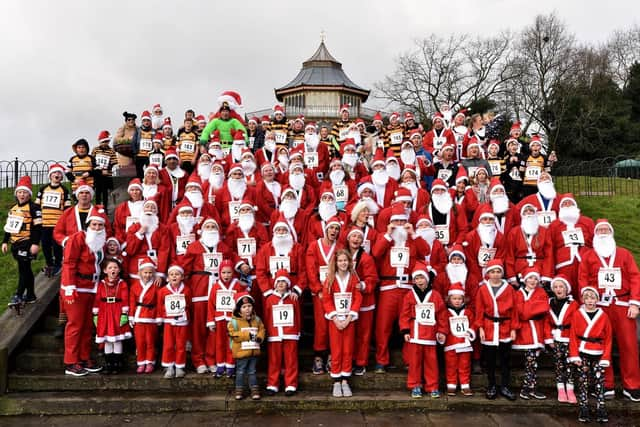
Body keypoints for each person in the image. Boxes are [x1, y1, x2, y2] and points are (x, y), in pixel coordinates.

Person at [577, 219, 640, 402]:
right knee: (601, 345)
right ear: (595, 234)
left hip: (622, 305)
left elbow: (635, 277)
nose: (603, 232)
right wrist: (588, 301)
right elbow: (583, 279)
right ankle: (605, 384)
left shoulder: (624, 254)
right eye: (599, 230)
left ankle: (632, 385)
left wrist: (635, 303)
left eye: (606, 230)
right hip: (600, 307)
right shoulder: (589, 256)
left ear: (611, 233)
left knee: (629, 345)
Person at [372, 203, 428, 373]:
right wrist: (388, 234)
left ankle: (409, 360)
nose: (398, 225)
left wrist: (413, 233)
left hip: (407, 288)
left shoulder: (412, 239)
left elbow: (425, 251)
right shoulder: (385, 238)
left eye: (401, 222)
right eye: (395, 222)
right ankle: (382, 360)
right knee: (383, 326)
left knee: (409, 325)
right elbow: (376, 253)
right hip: (388, 288)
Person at [61, 214, 108, 376]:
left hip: (92, 287)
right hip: (77, 286)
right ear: (88, 224)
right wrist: (69, 286)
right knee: (75, 325)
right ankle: (71, 361)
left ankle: (84, 356)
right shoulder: (77, 238)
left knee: (88, 325)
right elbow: (69, 262)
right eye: (94, 225)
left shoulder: (101, 241)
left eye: (100, 225)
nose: (97, 228)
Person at [399, 261, 446, 399]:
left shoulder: (436, 295)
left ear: (427, 278)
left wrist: (442, 331)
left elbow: (442, 315)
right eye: (417, 278)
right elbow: (404, 314)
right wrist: (405, 330)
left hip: (430, 334)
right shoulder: (409, 295)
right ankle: (415, 385)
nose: (420, 281)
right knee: (415, 363)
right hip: (415, 334)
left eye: (422, 277)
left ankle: (432, 386)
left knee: (431, 363)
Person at [474, 259, 519, 400]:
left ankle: (505, 386)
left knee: (505, 360)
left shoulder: (510, 289)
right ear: (488, 273)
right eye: (492, 271)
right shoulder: (482, 289)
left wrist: (513, 328)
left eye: (498, 271)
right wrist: (480, 327)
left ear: (502, 273)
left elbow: (514, 310)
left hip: (505, 327)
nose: (495, 274)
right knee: (490, 360)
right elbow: (479, 310)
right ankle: (492, 385)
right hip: (488, 327)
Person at [569, 286, 612, 423]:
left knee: (599, 382)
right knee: (583, 381)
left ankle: (601, 407)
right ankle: (583, 407)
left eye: (592, 298)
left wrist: (605, 357)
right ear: (583, 299)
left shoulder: (603, 315)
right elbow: (573, 336)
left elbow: (608, 338)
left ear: (597, 299)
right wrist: (574, 355)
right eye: (586, 298)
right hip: (582, 351)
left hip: (598, 352)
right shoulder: (577, 314)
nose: (589, 301)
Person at [323, 249, 362, 398]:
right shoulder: (330, 279)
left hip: (349, 320)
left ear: (350, 262)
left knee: (348, 349)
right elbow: (326, 300)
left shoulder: (354, 279)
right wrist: (335, 318)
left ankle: (345, 380)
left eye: (345, 260)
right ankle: (336, 381)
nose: (343, 263)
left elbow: (358, 298)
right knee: (336, 350)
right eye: (340, 261)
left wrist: (349, 317)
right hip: (335, 321)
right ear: (336, 263)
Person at [306, 216, 343, 374]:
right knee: (321, 324)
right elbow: (310, 269)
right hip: (320, 292)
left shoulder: (340, 246)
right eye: (331, 228)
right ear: (326, 229)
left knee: (334, 324)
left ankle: (331, 355)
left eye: (336, 229)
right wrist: (318, 289)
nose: (333, 231)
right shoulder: (314, 246)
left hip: (335, 291)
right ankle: (319, 355)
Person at [2, 176, 42, 305]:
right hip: (15, 243)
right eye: (19, 192)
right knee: (25, 269)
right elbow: (9, 227)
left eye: (25, 192)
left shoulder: (34, 208)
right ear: (16, 194)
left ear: (29, 194)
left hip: (27, 242)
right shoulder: (13, 209)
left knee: (24, 269)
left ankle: (19, 295)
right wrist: (4, 241)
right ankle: (30, 295)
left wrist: (35, 243)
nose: (22, 194)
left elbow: (38, 227)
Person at [344, 226, 378, 375]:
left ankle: (361, 362)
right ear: (348, 238)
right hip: (347, 301)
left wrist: (363, 285)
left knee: (363, 334)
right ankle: (349, 360)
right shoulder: (342, 255)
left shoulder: (366, 257)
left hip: (365, 302)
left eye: (359, 237)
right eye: (354, 236)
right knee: (349, 333)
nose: (356, 239)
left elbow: (373, 279)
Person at [513, 268, 550, 400]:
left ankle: (531, 388)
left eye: (535, 278)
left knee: (533, 361)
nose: (533, 281)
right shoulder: (518, 294)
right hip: (525, 332)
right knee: (531, 361)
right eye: (530, 278)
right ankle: (527, 388)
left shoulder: (541, 292)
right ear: (525, 279)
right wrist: (534, 307)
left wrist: (528, 307)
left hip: (537, 330)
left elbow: (545, 309)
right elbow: (521, 313)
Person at [263, 269, 302, 396]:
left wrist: (298, 331)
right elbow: (267, 316)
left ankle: (291, 384)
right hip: (274, 335)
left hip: (290, 333)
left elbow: (298, 316)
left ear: (288, 284)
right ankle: (272, 384)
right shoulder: (270, 299)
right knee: (274, 360)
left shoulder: (293, 298)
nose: (280, 284)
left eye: (283, 282)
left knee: (291, 360)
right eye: (278, 281)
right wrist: (268, 333)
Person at [207, 260, 245, 377]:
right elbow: (211, 304)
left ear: (233, 272)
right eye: (223, 272)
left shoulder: (238, 285)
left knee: (231, 343)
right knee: (219, 343)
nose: (226, 275)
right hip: (219, 320)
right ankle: (220, 364)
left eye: (229, 272)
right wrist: (211, 321)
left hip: (232, 320)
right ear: (219, 273)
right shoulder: (216, 286)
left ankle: (230, 365)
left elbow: (241, 302)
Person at [93, 257, 130, 375]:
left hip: (117, 310)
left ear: (119, 270)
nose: (113, 270)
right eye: (110, 268)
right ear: (105, 270)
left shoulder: (122, 283)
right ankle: (108, 363)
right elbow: (97, 298)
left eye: (115, 267)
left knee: (117, 337)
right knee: (107, 338)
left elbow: (125, 298)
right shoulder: (101, 284)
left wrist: (124, 313)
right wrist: (96, 313)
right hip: (104, 311)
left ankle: (117, 364)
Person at [545, 275, 578, 403]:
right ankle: (561, 389)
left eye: (561, 286)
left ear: (566, 288)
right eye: (556, 287)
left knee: (569, 364)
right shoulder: (549, 303)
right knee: (559, 365)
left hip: (569, 338)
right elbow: (546, 322)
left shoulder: (574, 304)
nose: (559, 289)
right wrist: (548, 339)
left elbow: (577, 323)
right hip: (555, 339)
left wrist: (574, 339)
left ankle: (570, 389)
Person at [35, 163, 70, 277]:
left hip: (57, 223)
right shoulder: (43, 188)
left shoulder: (64, 190)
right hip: (45, 223)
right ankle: (49, 264)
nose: (57, 175)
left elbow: (67, 207)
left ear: (62, 176)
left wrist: (65, 221)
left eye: (59, 173)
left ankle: (58, 263)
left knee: (56, 245)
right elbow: (37, 205)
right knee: (45, 245)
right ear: (50, 175)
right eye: (55, 173)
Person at [228, 293, 265, 401]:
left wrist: (260, 337)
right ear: (239, 308)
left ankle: (254, 390)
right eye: (244, 307)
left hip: (253, 351)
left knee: (252, 371)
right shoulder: (234, 321)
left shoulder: (256, 320)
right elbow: (233, 334)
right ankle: (239, 390)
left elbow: (262, 329)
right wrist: (246, 335)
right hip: (241, 352)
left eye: (249, 306)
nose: (247, 309)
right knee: (240, 371)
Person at [158, 265, 192, 379]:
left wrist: (183, 311)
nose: (174, 276)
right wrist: (163, 316)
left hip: (182, 321)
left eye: (177, 274)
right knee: (168, 344)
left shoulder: (187, 290)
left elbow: (189, 304)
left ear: (182, 277)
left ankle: (179, 366)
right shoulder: (163, 290)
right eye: (172, 274)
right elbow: (160, 305)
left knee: (181, 344)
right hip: (169, 321)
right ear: (168, 277)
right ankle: (169, 366)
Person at [128, 257, 160, 374]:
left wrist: (158, 317)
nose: (147, 275)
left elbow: (159, 303)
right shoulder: (134, 286)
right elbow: (132, 302)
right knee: (140, 342)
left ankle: (150, 362)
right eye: (145, 272)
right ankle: (141, 362)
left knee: (150, 341)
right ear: (139, 273)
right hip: (138, 316)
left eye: (150, 272)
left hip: (151, 316)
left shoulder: (156, 286)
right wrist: (131, 316)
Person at [443, 282, 476, 397]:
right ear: (449, 299)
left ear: (463, 299)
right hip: (451, 344)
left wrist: (471, 331)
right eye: (454, 298)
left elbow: (474, 324)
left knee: (465, 364)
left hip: (464, 344)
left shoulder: (468, 312)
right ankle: (451, 384)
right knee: (451, 365)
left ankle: (465, 384)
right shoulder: (446, 313)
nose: (457, 301)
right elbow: (443, 325)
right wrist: (441, 335)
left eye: (459, 298)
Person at [91, 130, 118, 210]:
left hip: (106, 175)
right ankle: (97, 207)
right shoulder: (95, 150)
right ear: (100, 142)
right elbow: (92, 160)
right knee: (98, 192)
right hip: (98, 174)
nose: (105, 144)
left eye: (107, 142)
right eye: (103, 142)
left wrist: (108, 169)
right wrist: (96, 168)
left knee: (105, 192)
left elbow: (114, 162)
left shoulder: (111, 151)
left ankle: (105, 208)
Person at [131, 110, 154, 179]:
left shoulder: (153, 131)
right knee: (139, 172)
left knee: (149, 171)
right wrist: (135, 153)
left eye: (148, 120)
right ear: (142, 122)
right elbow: (133, 142)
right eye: (144, 120)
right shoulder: (138, 130)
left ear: (150, 121)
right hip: (139, 155)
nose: (146, 122)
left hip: (149, 155)